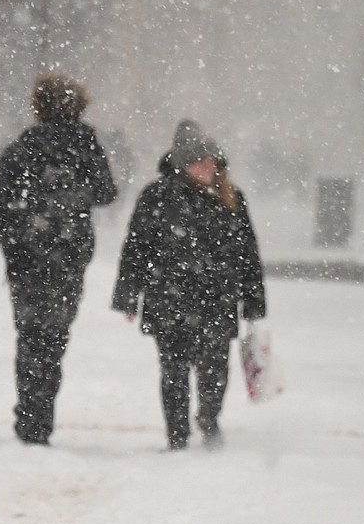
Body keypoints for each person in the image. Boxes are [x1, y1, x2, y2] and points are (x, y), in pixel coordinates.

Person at [111, 119, 266, 450]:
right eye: (200, 159)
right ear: (182, 163)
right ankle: (177, 434)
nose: (209, 165)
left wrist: (254, 300)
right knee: (174, 372)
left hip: (217, 300)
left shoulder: (231, 199)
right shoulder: (156, 197)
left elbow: (248, 254)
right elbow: (136, 248)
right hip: (169, 299)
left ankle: (209, 421)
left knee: (215, 372)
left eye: (213, 159)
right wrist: (127, 296)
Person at [0, 72, 116, 445]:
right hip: (69, 258)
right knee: (54, 336)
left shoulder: (22, 148)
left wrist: (16, 238)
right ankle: (41, 413)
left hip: (27, 261)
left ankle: (30, 414)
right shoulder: (86, 147)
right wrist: (75, 201)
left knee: (29, 337)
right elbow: (107, 191)